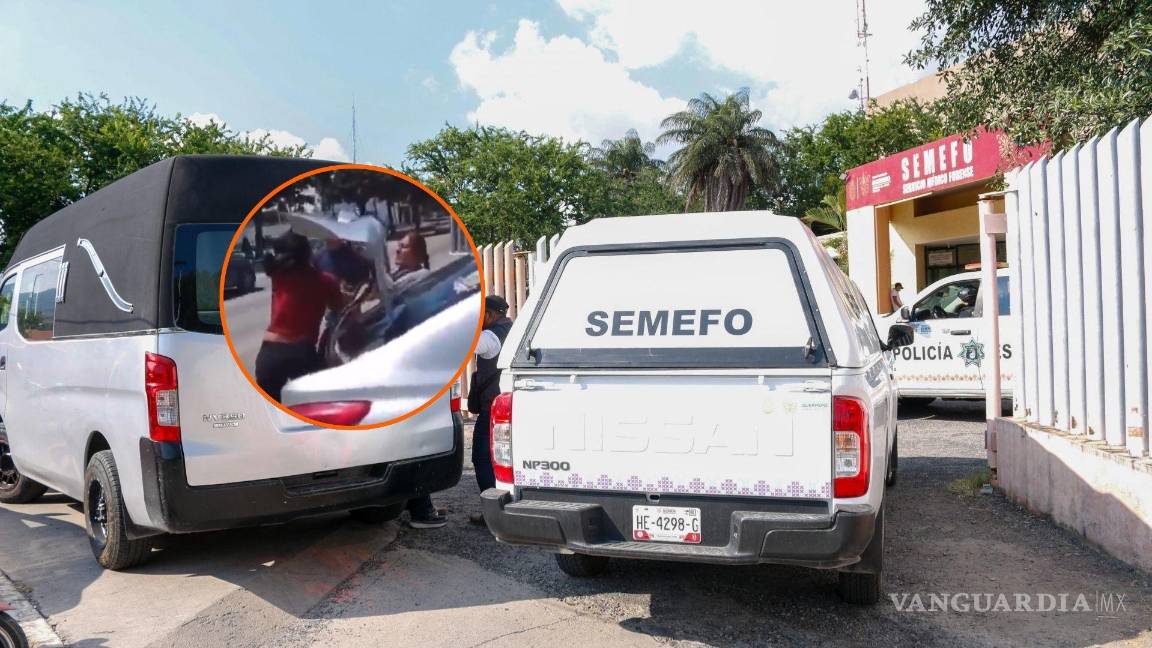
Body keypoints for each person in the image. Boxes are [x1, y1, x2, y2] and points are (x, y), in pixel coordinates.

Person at [255, 231, 344, 402]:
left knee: (272, 413)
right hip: (301, 352)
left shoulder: (278, 276)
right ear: (308, 253)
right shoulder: (325, 280)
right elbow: (338, 308)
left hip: (268, 355)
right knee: (320, 404)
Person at [468, 295, 513, 525]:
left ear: (490, 315)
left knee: (482, 458)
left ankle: (494, 514)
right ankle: (506, 510)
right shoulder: (511, 328)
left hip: (492, 410)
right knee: (502, 462)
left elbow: (473, 343)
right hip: (505, 407)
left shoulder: (492, 335)